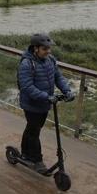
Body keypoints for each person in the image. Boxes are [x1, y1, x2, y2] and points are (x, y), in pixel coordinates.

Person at [17, 33, 75, 173]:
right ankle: (37, 160)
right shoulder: (27, 64)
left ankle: (25, 153)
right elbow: (27, 87)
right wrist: (46, 96)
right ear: (35, 48)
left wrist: (67, 91)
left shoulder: (50, 60)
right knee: (34, 131)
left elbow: (58, 77)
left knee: (32, 129)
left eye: (49, 48)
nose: (48, 51)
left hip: (44, 103)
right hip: (31, 104)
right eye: (45, 49)